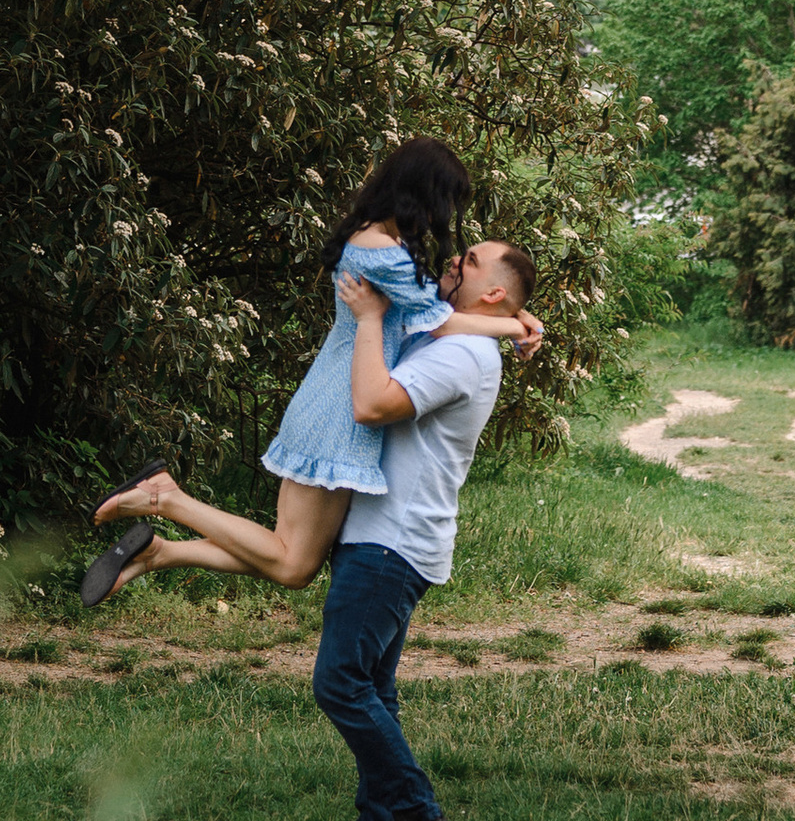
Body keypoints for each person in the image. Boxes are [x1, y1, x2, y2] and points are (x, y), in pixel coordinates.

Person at [81, 136, 538, 603]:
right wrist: (511, 328)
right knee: (292, 561)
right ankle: (165, 498)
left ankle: (159, 552)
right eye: (445, 201)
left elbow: (436, 311)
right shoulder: (383, 252)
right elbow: (439, 321)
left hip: (328, 400)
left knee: (293, 560)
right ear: (422, 192)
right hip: (339, 415)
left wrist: (514, 316)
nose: (444, 216)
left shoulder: (376, 236)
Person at [302, 230, 535, 821]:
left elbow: (374, 404)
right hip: (394, 538)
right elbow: (435, 312)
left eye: (472, 261)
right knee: (372, 688)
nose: (454, 261)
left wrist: (371, 317)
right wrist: (516, 322)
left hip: (390, 544)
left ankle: (422, 819)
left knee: (340, 683)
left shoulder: (460, 356)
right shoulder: (464, 337)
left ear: (491, 291)